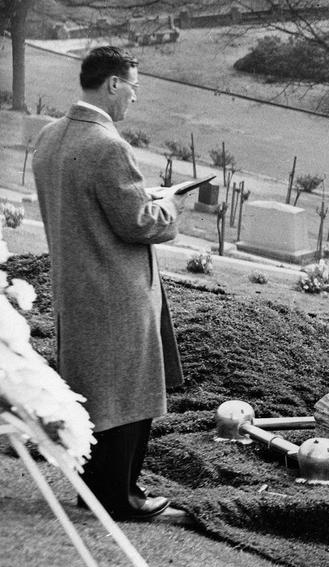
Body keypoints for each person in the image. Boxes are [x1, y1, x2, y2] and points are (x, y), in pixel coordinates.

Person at [32, 46, 186, 521]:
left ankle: (93, 491)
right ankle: (122, 498)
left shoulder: (50, 137)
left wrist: (143, 198)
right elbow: (139, 222)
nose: (134, 99)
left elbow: (90, 207)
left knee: (93, 394)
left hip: (74, 288)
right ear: (114, 84)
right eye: (133, 87)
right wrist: (170, 206)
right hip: (117, 292)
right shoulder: (108, 145)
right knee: (127, 394)